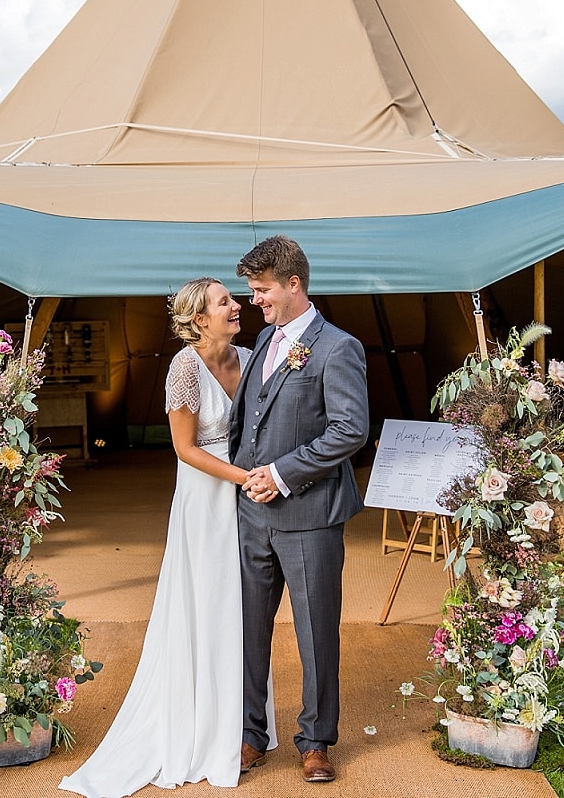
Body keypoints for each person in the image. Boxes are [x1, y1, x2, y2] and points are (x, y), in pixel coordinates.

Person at [60, 277, 275, 798]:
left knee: (242, 606)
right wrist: (243, 478)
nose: (237, 306)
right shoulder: (184, 367)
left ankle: (245, 725)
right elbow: (184, 447)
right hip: (207, 500)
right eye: (225, 301)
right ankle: (205, 725)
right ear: (200, 319)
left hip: (247, 496)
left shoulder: (249, 358)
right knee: (208, 603)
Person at [230, 236, 368, 784]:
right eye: (252, 292)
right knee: (247, 629)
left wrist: (282, 474)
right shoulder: (265, 340)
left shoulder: (338, 347)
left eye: (262, 291)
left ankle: (316, 740)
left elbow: (350, 429)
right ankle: (248, 734)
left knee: (315, 632)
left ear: (294, 284)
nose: (256, 302)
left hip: (308, 516)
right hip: (251, 515)